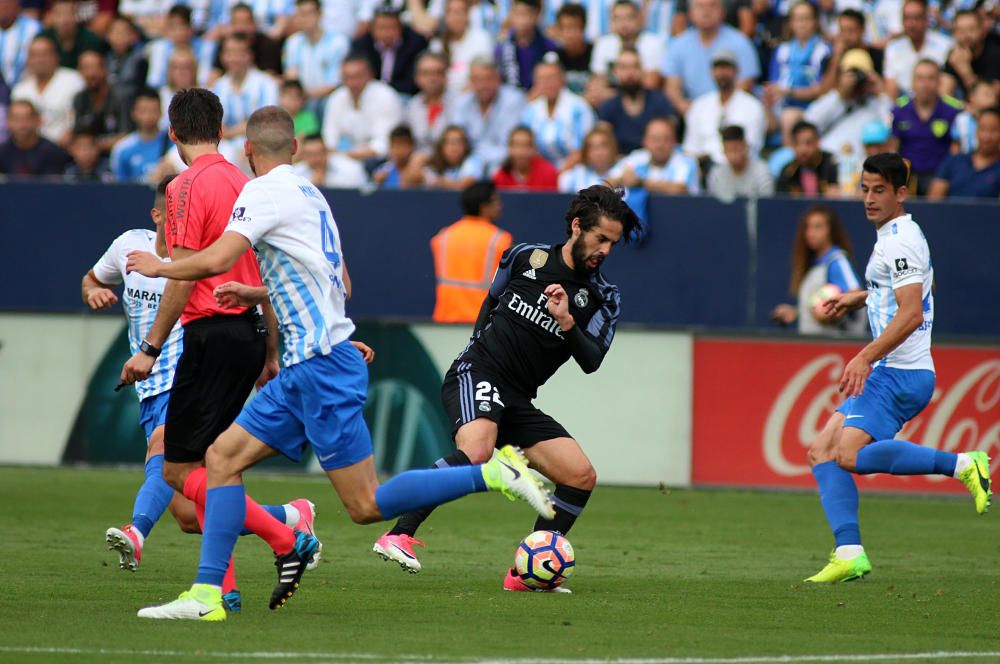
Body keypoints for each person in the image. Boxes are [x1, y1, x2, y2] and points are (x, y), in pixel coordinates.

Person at [128, 105, 554, 620]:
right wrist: (261, 289)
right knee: (220, 460)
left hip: (321, 367)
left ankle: (491, 473)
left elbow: (216, 259)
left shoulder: (260, 192)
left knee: (365, 505)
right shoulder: (312, 195)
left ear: (247, 149)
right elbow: (338, 282)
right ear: (296, 150)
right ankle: (207, 596)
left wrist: (161, 264)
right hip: (307, 368)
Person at [373, 184, 639, 588]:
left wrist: (567, 321)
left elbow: (591, 361)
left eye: (613, 243)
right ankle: (398, 533)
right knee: (477, 450)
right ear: (576, 227)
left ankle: (524, 573)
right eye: (600, 238)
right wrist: (475, 351)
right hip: (479, 372)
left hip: (518, 398)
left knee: (580, 475)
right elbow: (491, 302)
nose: (605, 249)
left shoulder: (602, 297)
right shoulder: (524, 257)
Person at [117, 88, 309, 612]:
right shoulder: (245, 182)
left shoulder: (182, 187)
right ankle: (225, 586)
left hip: (213, 334)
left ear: (173, 134)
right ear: (222, 131)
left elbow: (182, 275)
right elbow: (263, 268)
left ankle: (287, 533)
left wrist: (150, 349)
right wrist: (269, 348)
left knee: (178, 471)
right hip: (247, 332)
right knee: (207, 473)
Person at [83, 176, 314, 590]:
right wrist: (94, 291)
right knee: (190, 515)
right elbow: (93, 279)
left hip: (190, 373)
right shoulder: (127, 247)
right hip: (149, 389)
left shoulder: (207, 258)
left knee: (163, 446)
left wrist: (270, 355)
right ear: (159, 215)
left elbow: (267, 295)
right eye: (176, 214)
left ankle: (137, 533)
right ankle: (291, 518)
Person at [803, 152, 991, 584]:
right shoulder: (901, 234)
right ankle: (849, 552)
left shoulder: (898, 240)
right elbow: (922, 288)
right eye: (864, 189)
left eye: (879, 190)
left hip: (896, 371)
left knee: (845, 454)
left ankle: (963, 464)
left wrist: (864, 355)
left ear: (901, 193)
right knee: (822, 451)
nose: (868, 198)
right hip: (899, 369)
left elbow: (908, 314)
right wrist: (860, 295)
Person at [770, 205, 865, 336]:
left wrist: (830, 313)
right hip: (814, 346)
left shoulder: (837, 261)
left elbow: (856, 295)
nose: (811, 233)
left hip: (836, 347)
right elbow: (817, 305)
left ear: (830, 230)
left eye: (818, 227)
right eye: (808, 227)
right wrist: (797, 312)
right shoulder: (815, 264)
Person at [430, 180, 512, 323]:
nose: (500, 206)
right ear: (484, 207)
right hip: (480, 321)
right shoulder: (500, 240)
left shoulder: (443, 237)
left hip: (444, 319)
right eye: (496, 201)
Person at [660, 0, 759, 117]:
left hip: (733, 113)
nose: (706, 12)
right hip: (691, 114)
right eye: (700, 6)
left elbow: (745, 86)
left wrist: (720, 111)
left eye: (712, 5)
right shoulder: (678, 45)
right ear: (690, 12)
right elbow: (672, 89)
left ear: (723, 11)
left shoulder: (741, 43)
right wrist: (691, 111)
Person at [804, 49, 892, 162]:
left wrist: (880, 91)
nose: (855, 79)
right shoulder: (834, 100)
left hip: (858, 166)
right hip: (828, 161)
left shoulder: (876, 103)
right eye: (850, 73)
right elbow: (808, 123)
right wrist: (839, 95)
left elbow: (890, 125)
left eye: (860, 74)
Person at [682, 49, 765, 166]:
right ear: (711, 72)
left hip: (738, 170)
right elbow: (690, 149)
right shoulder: (699, 106)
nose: (722, 74)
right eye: (718, 68)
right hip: (704, 169)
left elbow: (752, 149)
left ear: (736, 71)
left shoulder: (753, 106)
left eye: (726, 68)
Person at [890, 59, 961, 195]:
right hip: (908, 175)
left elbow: (956, 151)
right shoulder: (899, 110)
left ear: (939, 82)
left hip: (940, 176)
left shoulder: (953, 111)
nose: (925, 84)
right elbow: (893, 149)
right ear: (912, 82)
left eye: (930, 79)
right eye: (920, 78)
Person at [447, 56, 525, 174]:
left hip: (505, 164)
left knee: (494, 170)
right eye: (478, 79)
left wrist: (479, 158)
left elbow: (510, 147)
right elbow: (457, 140)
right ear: (471, 82)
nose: (483, 85)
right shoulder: (463, 102)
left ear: (498, 79)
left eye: (488, 79)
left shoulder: (513, 100)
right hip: (470, 162)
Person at [321, 53, 403, 162]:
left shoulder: (385, 96)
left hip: (378, 159)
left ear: (369, 75)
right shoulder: (336, 98)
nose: (352, 83)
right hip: (343, 158)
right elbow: (329, 139)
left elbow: (384, 143)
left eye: (357, 76)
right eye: (347, 77)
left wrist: (348, 155)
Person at [765, 1, 830, 133]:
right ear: (791, 23)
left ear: (815, 22)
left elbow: (822, 89)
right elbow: (773, 83)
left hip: (814, 107)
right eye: (798, 19)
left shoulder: (824, 50)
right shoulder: (781, 50)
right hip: (782, 104)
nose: (802, 24)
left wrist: (789, 92)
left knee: (789, 117)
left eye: (807, 18)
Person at [597, 47, 676, 156]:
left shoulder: (660, 101)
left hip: (656, 161)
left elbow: (669, 138)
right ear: (616, 72)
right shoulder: (608, 107)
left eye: (635, 66)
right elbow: (603, 144)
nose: (630, 73)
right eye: (624, 67)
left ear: (642, 70)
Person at [213, 33, 279, 160]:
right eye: (230, 53)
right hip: (224, 146)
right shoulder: (218, 86)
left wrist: (230, 132)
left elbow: (265, 123)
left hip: (259, 146)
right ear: (223, 57)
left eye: (239, 53)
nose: (234, 59)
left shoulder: (267, 84)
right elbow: (215, 126)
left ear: (250, 55)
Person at [519, 58, 595, 169]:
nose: (547, 83)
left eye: (551, 78)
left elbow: (583, 150)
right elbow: (526, 148)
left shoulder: (579, 107)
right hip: (539, 170)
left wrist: (557, 175)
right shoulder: (530, 111)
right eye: (542, 79)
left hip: (574, 169)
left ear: (562, 79)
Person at [11, 34, 84, 147]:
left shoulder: (73, 80)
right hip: (31, 151)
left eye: (44, 54)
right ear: (28, 60)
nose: (39, 60)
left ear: (56, 56)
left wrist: (71, 134)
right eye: (34, 55)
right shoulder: (20, 90)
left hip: (67, 148)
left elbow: (81, 118)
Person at [282, 0, 350, 104]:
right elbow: (291, 76)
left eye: (308, 14)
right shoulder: (293, 42)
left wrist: (306, 95)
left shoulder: (338, 42)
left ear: (319, 14)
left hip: (329, 98)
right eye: (300, 14)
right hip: (301, 100)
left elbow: (335, 83)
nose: (303, 19)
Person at [350, 4, 427, 95]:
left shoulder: (415, 43)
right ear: (372, 28)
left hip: (403, 95)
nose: (387, 33)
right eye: (382, 28)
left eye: (391, 27)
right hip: (370, 94)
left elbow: (413, 81)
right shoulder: (362, 45)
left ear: (400, 28)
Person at [611, 117, 700, 194]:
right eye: (655, 139)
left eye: (666, 139)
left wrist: (640, 183)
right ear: (644, 141)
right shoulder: (636, 158)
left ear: (675, 141)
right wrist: (621, 179)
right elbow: (607, 183)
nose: (660, 145)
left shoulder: (687, 161)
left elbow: (679, 189)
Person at [883, 0, 952, 99]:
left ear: (926, 19)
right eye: (907, 18)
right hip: (905, 105)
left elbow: (946, 89)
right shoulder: (893, 48)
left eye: (917, 18)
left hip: (937, 104)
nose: (912, 24)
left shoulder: (945, 45)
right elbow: (890, 92)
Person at [927, 107, 1000, 200]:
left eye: (993, 130)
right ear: (976, 130)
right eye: (983, 129)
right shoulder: (953, 161)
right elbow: (933, 202)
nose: (987, 136)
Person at [590, 0, 664, 90]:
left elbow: (651, 84)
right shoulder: (603, 44)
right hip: (610, 100)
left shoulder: (653, 44)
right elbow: (597, 83)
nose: (623, 23)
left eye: (628, 18)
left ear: (639, 19)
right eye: (617, 18)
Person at [72, 50, 132, 156]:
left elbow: (127, 136)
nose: (90, 74)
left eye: (94, 68)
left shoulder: (121, 97)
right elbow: (77, 135)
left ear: (105, 69)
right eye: (85, 68)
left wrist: (95, 145)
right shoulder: (79, 99)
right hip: (86, 157)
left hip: (115, 155)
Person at [431, 0, 493, 96]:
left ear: (468, 15)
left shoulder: (481, 38)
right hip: (444, 98)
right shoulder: (436, 44)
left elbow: (484, 74)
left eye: (460, 12)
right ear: (445, 16)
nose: (456, 17)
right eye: (451, 12)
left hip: (473, 96)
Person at [144, 5, 216, 89]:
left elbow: (204, 80)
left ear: (191, 28)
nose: (178, 32)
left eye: (181, 26)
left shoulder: (206, 47)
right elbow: (155, 82)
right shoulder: (159, 48)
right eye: (173, 27)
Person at [819, 9, 885, 97]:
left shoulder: (877, 55)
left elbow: (885, 92)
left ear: (862, 30)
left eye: (850, 30)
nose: (845, 36)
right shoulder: (830, 58)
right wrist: (836, 57)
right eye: (842, 30)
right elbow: (823, 94)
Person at [111, 88, 169, 183]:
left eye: (153, 110)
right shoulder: (122, 149)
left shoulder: (174, 144)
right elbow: (120, 186)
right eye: (143, 111)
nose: (148, 116)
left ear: (161, 113)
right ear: (134, 113)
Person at [495, 0, 556, 90]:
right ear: (510, 14)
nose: (522, 21)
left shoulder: (548, 46)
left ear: (537, 14)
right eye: (518, 14)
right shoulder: (502, 48)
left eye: (527, 14)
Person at [0, 98, 71, 175]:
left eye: (27, 118)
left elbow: (53, 185)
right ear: (8, 121)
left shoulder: (53, 152)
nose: (22, 124)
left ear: (37, 120)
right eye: (16, 119)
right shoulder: (2, 152)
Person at [941, 9, 1000, 100]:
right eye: (960, 30)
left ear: (982, 31)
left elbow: (990, 98)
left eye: (971, 29)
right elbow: (944, 94)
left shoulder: (995, 53)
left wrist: (966, 72)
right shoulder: (955, 54)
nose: (966, 36)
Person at [706, 125, 774, 198]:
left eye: (736, 149)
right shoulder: (716, 174)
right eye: (728, 150)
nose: (733, 155)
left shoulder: (762, 172)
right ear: (723, 151)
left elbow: (766, 204)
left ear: (746, 146)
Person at [219, 3, 283, 77]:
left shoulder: (268, 45)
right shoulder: (225, 44)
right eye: (237, 22)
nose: (241, 28)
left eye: (245, 22)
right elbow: (216, 73)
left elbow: (271, 76)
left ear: (254, 24)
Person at [776, 120, 839, 196]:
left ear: (817, 142)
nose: (803, 149)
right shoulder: (788, 172)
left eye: (808, 143)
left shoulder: (832, 164)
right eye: (798, 143)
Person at [38, 0, 107, 69]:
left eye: (69, 14)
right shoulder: (43, 39)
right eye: (59, 14)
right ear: (52, 16)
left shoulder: (92, 41)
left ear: (77, 15)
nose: (64, 20)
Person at [405, 51, 449, 153]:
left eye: (437, 73)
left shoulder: (459, 104)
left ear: (446, 76)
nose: (432, 78)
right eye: (425, 73)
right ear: (417, 78)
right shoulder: (413, 106)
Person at [492, 125, 558, 191]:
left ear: (534, 149)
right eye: (516, 145)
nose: (521, 152)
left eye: (526, 146)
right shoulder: (500, 176)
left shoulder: (548, 173)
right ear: (509, 148)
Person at [293, 133, 369, 188]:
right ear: (303, 156)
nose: (315, 159)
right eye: (309, 154)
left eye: (318, 153)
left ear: (327, 152)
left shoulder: (351, 169)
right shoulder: (294, 174)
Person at [421, 124, 484, 189]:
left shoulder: (473, 161)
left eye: (458, 142)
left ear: (466, 146)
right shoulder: (435, 163)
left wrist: (436, 180)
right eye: (450, 142)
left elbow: (462, 186)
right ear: (441, 146)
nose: (454, 148)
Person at [558, 126, 619, 192]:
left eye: (603, 146)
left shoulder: (623, 169)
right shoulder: (577, 175)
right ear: (586, 152)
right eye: (593, 148)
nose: (598, 153)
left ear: (612, 148)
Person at [105, 15, 148, 101]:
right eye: (115, 32)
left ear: (133, 36)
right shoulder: (104, 58)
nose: (119, 36)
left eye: (123, 32)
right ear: (108, 36)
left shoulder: (140, 60)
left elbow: (140, 89)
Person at [554, 2, 592, 96]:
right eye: (565, 28)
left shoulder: (595, 53)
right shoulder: (554, 57)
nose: (570, 34)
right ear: (559, 30)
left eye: (574, 28)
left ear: (583, 28)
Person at [0, 0, 41, 87]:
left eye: (7, 4)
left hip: (27, 84)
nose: (3, 7)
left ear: (17, 5)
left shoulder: (33, 28)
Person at [952, 80, 998, 155]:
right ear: (972, 96)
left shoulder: (997, 122)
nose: (992, 100)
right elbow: (955, 148)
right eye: (987, 94)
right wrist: (961, 105)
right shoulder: (962, 120)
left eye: (994, 96)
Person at [373, 124, 418, 188]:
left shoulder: (421, 172)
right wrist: (378, 183)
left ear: (412, 146)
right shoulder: (383, 172)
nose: (399, 150)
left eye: (403, 145)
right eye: (396, 145)